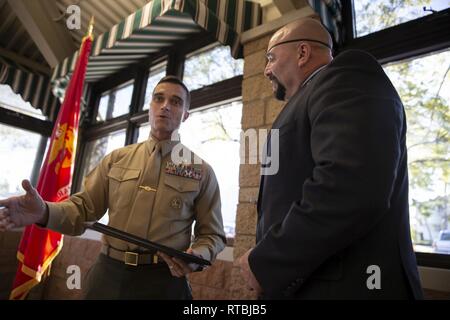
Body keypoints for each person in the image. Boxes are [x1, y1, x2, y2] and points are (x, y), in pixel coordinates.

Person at [236, 18, 423, 299]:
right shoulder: (308, 100)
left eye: (271, 58)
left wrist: (269, 261)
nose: (266, 70)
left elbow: (351, 186)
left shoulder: (347, 75)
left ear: (302, 53)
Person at [0, 76, 226, 299]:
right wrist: (44, 212)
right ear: (150, 107)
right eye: (159, 98)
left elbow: (212, 235)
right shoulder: (116, 159)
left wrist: (197, 256)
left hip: (164, 280)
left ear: (185, 114)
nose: (165, 106)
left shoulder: (201, 171)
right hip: (107, 275)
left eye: (175, 102)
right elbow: (82, 210)